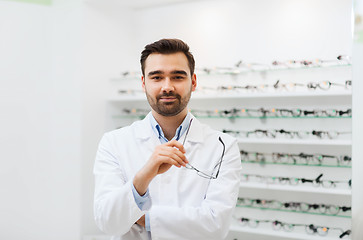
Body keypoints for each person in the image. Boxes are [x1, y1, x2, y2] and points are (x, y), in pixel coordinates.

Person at [93, 38, 242, 240]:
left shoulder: (223, 146)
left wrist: (142, 217)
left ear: (194, 81)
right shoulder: (114, 142)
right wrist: (143, 177)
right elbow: (107, 222)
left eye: (178, 77)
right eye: (156, 77)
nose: (167, 87)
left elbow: (216, 225)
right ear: (144, 83)